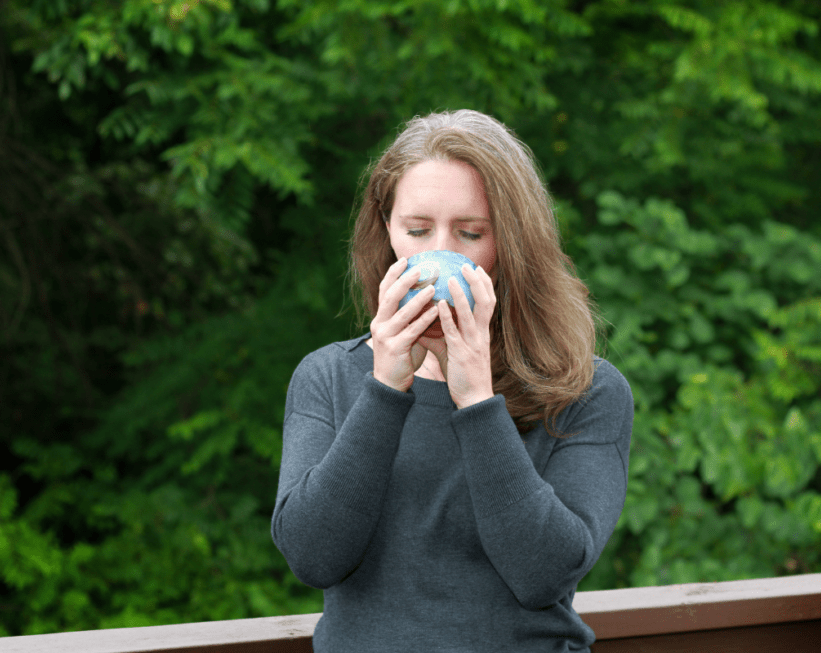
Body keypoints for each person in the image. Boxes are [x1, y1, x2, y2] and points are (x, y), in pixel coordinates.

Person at [271, 109, 634, 652]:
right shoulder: (327, 378)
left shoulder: (586, 391)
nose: (440, 254)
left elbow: (545, 574)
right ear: (388, 232)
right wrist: (385, 390)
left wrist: (475, 397)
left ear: (511, 245)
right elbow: (313, 556)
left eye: (470, 233)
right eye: (417, 230)